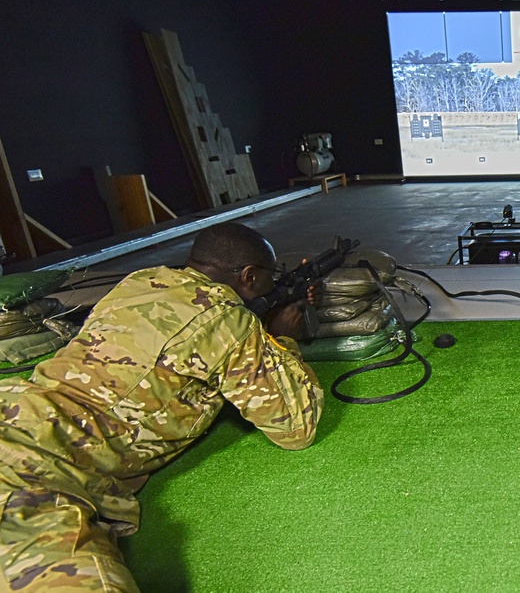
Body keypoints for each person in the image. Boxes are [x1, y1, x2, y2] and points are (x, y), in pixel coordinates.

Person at [0, 222, 324, 592]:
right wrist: (280, 338)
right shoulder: (226, 319)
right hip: (38, 462)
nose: (274, 282)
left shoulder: (143, 280)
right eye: (272, 276)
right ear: (249, 276)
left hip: (16, 407)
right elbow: (296, 427)